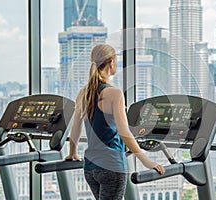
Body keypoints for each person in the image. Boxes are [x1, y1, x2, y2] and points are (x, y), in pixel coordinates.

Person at [65, 44, 165, 200]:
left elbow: (75, 128)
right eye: (116, 61)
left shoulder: (83, 92)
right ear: (111, 62)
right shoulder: (114, 93)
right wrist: (146, 161)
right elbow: (124, 132)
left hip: (90, 168)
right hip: (111, 166)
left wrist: (72, 153)